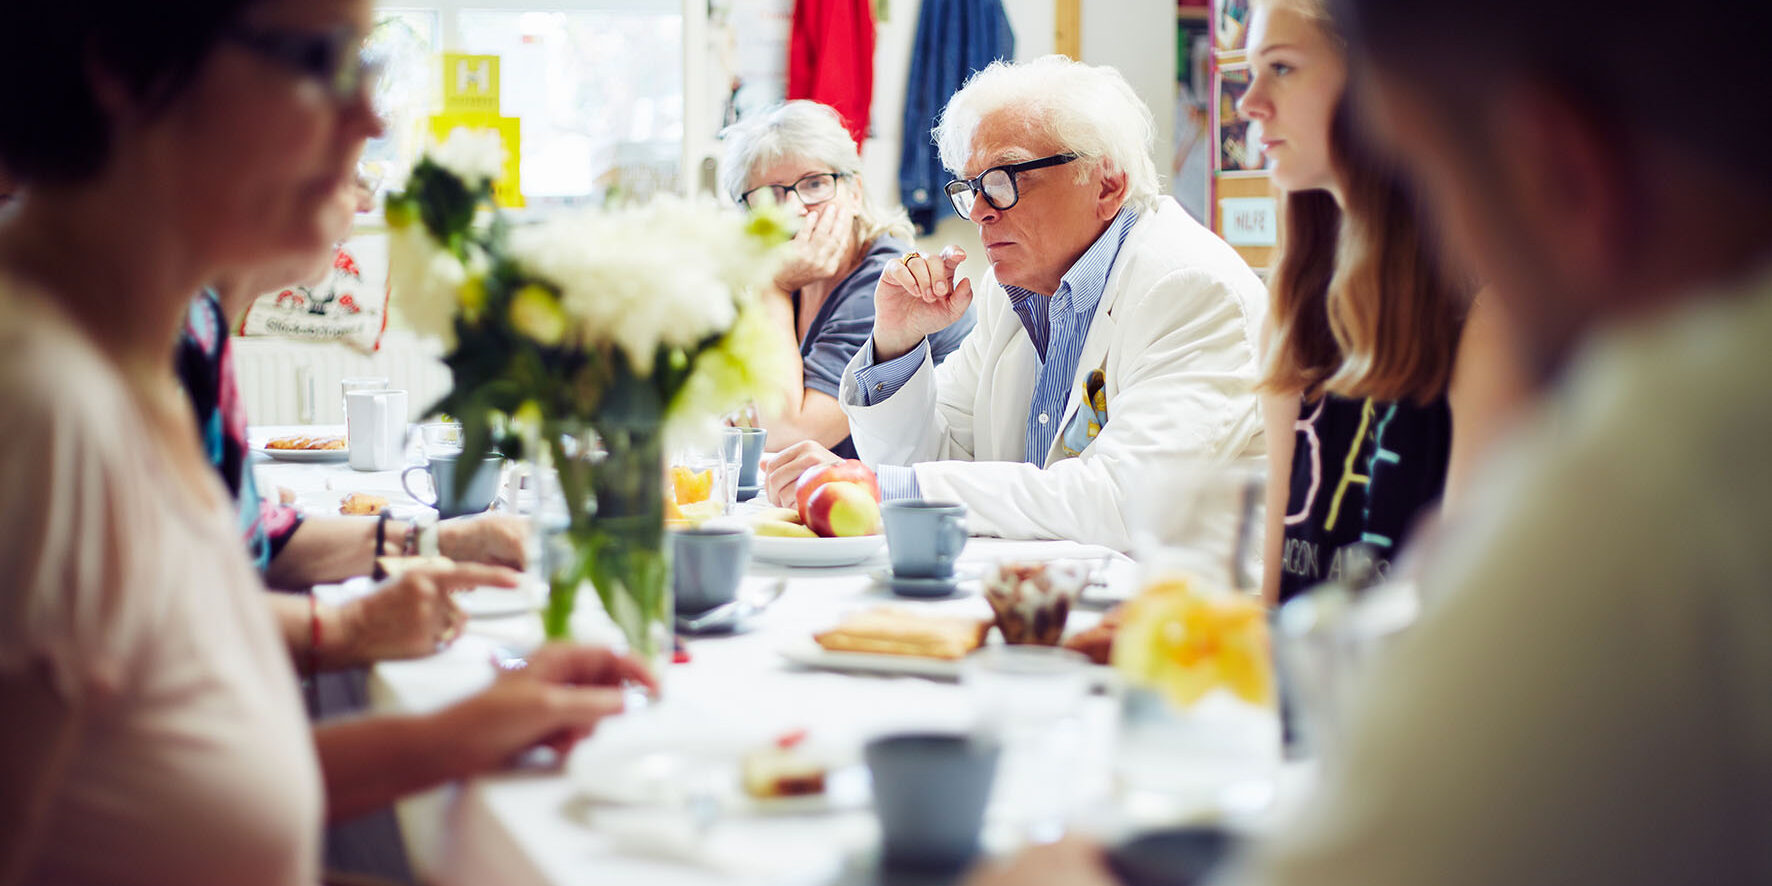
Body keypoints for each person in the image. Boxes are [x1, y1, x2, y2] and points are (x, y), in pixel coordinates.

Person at [965, 0, 1772, 881]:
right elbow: (1295, 601)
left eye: (1431, 167)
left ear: (1563, 170)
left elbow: (1438, 751)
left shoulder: (1652, 476)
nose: (1247, 107)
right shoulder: (1306, 297)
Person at [0, 3, 653, 883]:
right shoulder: (36, 410)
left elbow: (164, 792)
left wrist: (473, 724)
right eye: (319, 62)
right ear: (122, 66)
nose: (371, 120)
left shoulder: (133, 367)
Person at [766, 56, 1269, 551]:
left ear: (1107, 183)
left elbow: (1126, 502)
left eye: (1006, 179)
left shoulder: (1190, 288)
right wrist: (896, 344)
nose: (980, 211)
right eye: (972, 187)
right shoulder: (1012, 292)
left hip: (1183, 617)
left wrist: (886, 487)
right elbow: (935, 459)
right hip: (1052, 595)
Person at [1235, 0, 1529, 603]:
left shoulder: (1487, 320)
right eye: (1250, 73)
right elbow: (1274, 583)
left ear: (1378, 80)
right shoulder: (1292, 306)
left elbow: (1461, 616)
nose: (1249, 103)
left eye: (1282, 67)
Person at [721, 100, 974, 458]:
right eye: (768, 196)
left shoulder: (884, 282)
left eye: (814, 184)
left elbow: (786, 435)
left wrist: (771, 287)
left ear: (854, 193)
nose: (793, 209)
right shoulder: (793, 276)